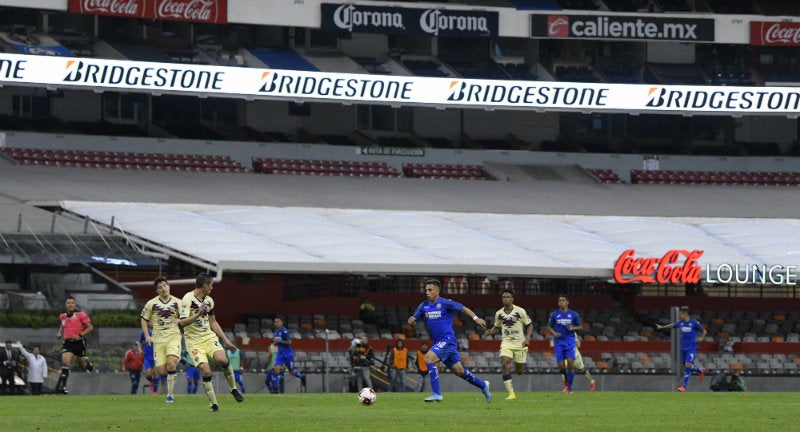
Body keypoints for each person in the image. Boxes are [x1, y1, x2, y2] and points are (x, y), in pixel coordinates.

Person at [408, 279, 492, 403]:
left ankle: (436, 393)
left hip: (447, 340)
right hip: (438, 343)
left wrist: (476, 318)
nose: (427, 292)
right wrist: (412, 321)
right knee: (459, 371)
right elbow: (414, 321)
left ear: (437, 291)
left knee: (428, 358)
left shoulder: (446, 303)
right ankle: (483, 385)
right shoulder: (423, 306)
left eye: (430, 290)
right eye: (426, 290)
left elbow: (463, 309)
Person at [178, 272, 244, 412]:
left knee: (223, 360)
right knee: (206, 371)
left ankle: (233, 389)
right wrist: (197, 314)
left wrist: (226, 340)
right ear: (204, 285)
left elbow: (213, 322)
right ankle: (213, 404)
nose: (212, 287)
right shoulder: (187, 299)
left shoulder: (209, 301)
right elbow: (182, 323)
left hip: (208, 337)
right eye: (211, 285)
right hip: (194, 342)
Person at [484, 288, 532, 400]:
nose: (505, 299)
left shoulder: (520, 311)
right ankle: (511, 393)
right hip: (506, 343)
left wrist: (528, 338)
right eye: (504, 297)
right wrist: (490, 332)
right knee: (505, 364)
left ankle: (519, 367)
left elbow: (529, 325)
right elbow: (497, 326)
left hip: (520, 344)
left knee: (519, 370)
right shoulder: (499, 313)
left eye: (508, 297)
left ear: (512, 299)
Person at [140, 277, 183, 403]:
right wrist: (147, 335)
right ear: (157, 291)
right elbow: (143, 319)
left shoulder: (178, 302)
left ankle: (170, 395)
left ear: (169, 286)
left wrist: (180, 320)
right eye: (160, 287)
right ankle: (173, 364)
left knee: (171, 363)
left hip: (173, 337)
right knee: (161, 371)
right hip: (158, 340)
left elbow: (187, 317)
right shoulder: (151, 304)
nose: (163, 288)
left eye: (165, 285)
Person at [656, 307, 707, 392]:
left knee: (687, 365)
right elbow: (673, 325)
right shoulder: (681, 323)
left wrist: (701, 338)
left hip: (692, 347)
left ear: (685, 314)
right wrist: (662, 327)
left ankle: (684, 386)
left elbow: (704, 331)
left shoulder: (694, 322)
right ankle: (700, 370)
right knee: (686, 365)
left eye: (680, 314)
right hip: (683, 348)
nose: (679, 316)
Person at [55, 296, 94, 394]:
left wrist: (80, 335)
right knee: (66, 362)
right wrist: (59, 333)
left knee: (82, 366)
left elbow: (90, 327)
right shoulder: (63, 316)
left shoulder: (80, 314)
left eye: (72, 303)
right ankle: (62, 387)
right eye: (68, 303)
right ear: (65, 304)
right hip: (68, 342)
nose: (70, 304)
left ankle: (86, 361)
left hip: (79, 342)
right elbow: (63, 325)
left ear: (75, 304)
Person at [546, 294, 583, 394]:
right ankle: (566, 381)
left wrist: (573, 328)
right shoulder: (554, 315)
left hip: (570, 341)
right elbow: (549, 326)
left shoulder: (574, 314)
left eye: (563, 300)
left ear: (567, 302)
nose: (561, 302)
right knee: (561, 366)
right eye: (559, 301)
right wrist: (554, 333)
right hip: (558, 342)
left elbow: (580, 326)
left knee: (571, 363)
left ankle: (569, 387)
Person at [270, 317, 306, 392]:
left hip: (288, 354)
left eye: (278, 321)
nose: (276, 323)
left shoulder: (285, 331)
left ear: (281, 323)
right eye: (275, 321)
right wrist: (275, 342)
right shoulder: (276, 331)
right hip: (280, 354)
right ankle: (275, 389)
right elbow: (276, 342)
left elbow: (289, 342)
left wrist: (279, 341)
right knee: (276, 369)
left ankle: (302, 376)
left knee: (291, 371)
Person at [139, 329, 159, 395]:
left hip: (156, 356)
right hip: (147, 357)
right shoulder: (145, 332)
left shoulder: (159, 330)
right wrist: (140, 350)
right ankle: (152, 382)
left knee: (156, 374)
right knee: (147, 373)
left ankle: (155, 392)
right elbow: (140, 342)